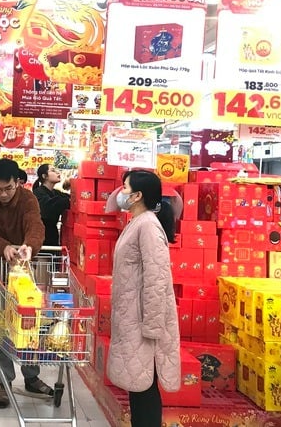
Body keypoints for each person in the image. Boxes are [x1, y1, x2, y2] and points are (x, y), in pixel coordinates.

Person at [0, 158, 52, 409]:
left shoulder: (28, 199)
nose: (3, 194)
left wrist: (29, 246)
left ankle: (32, 376)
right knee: (0, 327)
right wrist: (3, 247)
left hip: (24, 271)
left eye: (8, 188)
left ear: (17, 182)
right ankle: (4, 384)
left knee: (28, 324)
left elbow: (35, 226)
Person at [107, 170, 180, 427]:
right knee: (138, 383)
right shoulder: (138, 221)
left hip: (143, 321)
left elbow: (157, 278)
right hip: (132, 317)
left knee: (145, 386)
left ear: (137, 196)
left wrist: (152, 325)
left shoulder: (148, 225)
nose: (120, 193)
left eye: (125, 188)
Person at [32, 164, 70, 246]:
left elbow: (69, 199)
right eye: (53, 170)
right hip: (41, 237)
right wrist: (67, 201)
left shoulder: (55, 192)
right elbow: (49, 207)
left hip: (52, 235)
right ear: (45, 176)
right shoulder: (38, 193)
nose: (58, 172)